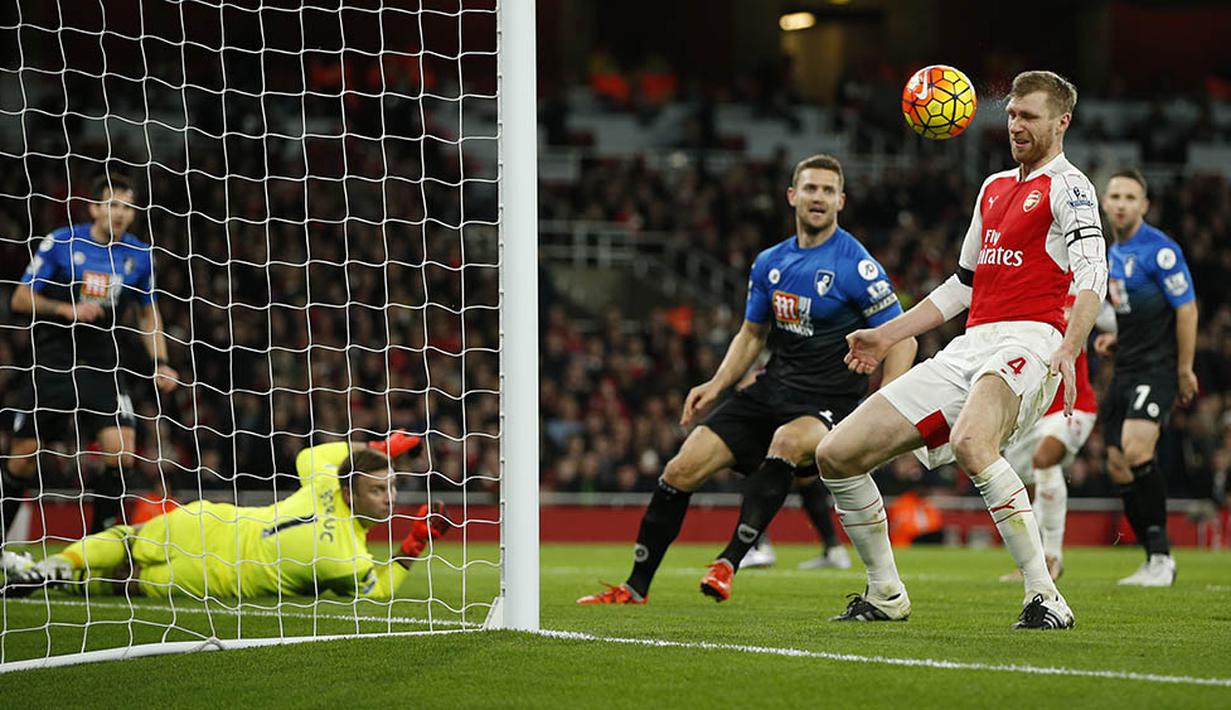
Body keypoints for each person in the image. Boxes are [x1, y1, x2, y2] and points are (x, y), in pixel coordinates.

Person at [814, 70, 1107, 630]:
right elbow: (962, 285)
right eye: (1013, 114)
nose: (1016, 125)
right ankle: (885, 594)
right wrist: (887, 334)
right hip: (971, 344)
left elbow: (1094, 269)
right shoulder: (993, 187)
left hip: (1032, 339)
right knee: (836, 454)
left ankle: (1045, 597)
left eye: (1030, 117)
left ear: (1062, 122)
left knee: (974, 442)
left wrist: (1071, 346)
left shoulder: (1071, 187)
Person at [577, 154, 916, 605]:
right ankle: (634, 587)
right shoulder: (769, 263)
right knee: (681, 468)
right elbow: (752, 333)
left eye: (828, 191)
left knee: (786, 444)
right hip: (772, 388)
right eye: (810, 188)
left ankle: (730, 561)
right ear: (792, 196)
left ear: (841, 201)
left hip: (828, 401)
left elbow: (903, 340)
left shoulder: (857, 265)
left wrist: (883, 412)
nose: (818, 198)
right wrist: (716, 385)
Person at [0, 433, 445, 600]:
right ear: (351, 490)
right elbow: (379, 590)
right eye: (378, 488)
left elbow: (313, 454)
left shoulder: (326, 482)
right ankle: (45, 573)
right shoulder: (344, 558)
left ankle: (43, 572)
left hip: (216, 542)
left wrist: (379, 450)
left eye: (391, 489)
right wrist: (412, 548)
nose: (389, 498)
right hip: (216, 563)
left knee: (127, 551)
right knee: (129, 559)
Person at [2, 174, 179, 540]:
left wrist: (161, 362)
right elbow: (19, 299)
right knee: (23, 456)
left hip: (102, 358)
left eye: (128, 206)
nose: (121, 213)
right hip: (55, 354)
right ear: (95, 208)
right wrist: (67, 309)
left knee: (122, 450)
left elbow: (149, 315)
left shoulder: (139, 255)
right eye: (113, 204)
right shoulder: (62, 242)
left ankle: (98, 547)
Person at [1093, 168, 1197, 587]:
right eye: (1115, 196)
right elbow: (1133, 314)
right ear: (1104, 202)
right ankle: (1152, 557)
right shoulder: (1109, 254)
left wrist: (1184, 368)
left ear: (1144, 205)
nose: (1121, 203)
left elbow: (1186, 309)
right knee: (1117, 464)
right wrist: (1114, 342)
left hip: (1158, 368)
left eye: (1130, 197)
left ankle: (1163, 560)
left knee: (1136, 451)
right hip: (1126, 367)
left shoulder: (1161, 251)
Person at [998, 289, 1099, 582]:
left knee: (1045, 459)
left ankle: (1053, 557)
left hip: (1073, 406)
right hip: (1033, 412)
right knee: (1019, 489)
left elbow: (1116, 319)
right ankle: (1033, 563)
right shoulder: (1025, 293)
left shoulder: (1084, 294)